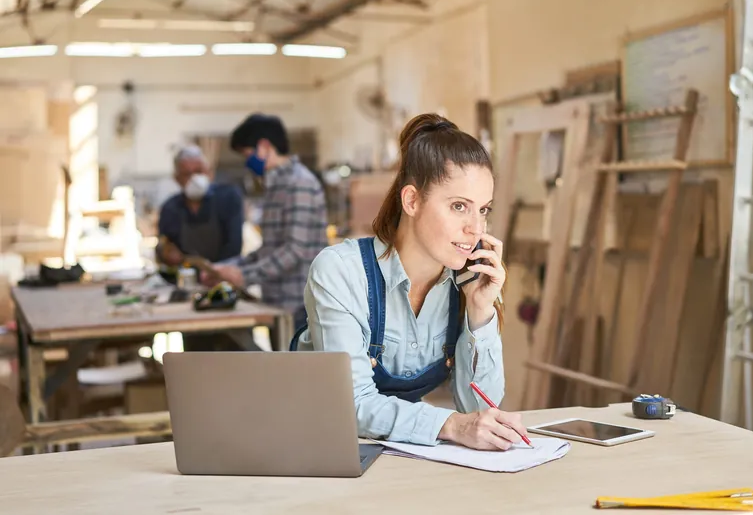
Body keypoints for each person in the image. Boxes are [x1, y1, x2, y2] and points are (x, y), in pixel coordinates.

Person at [292, 113, 526, 451]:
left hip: (395, 453)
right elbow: (351, 404)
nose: (476, 228)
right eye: (459, 206)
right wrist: (447, 424)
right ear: (412, 201)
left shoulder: (467, 281)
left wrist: (480, 310)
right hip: (316, 451)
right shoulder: (341, 272)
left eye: (484, 210)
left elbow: (479, 411)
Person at [204, 114, 328, 328]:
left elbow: (294, 251)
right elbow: (268, 250)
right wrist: (225, 269)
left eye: (247, 154)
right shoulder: (275, 186)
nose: (247, 161)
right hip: (277, 303)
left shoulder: (299, 184)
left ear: (264, 146)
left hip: (300, 307)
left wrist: (244, 275)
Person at [157, 145, 244, 266]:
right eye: (187, 174)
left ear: (209, 173)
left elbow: (234, 247)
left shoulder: (228, 198)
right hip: (186, 276)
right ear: (177, 179)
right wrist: (166, 253)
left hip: (224, 273)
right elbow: (163, 246)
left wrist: (215, 272)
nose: (194, 179)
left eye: (198, 172)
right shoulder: (170, 208)